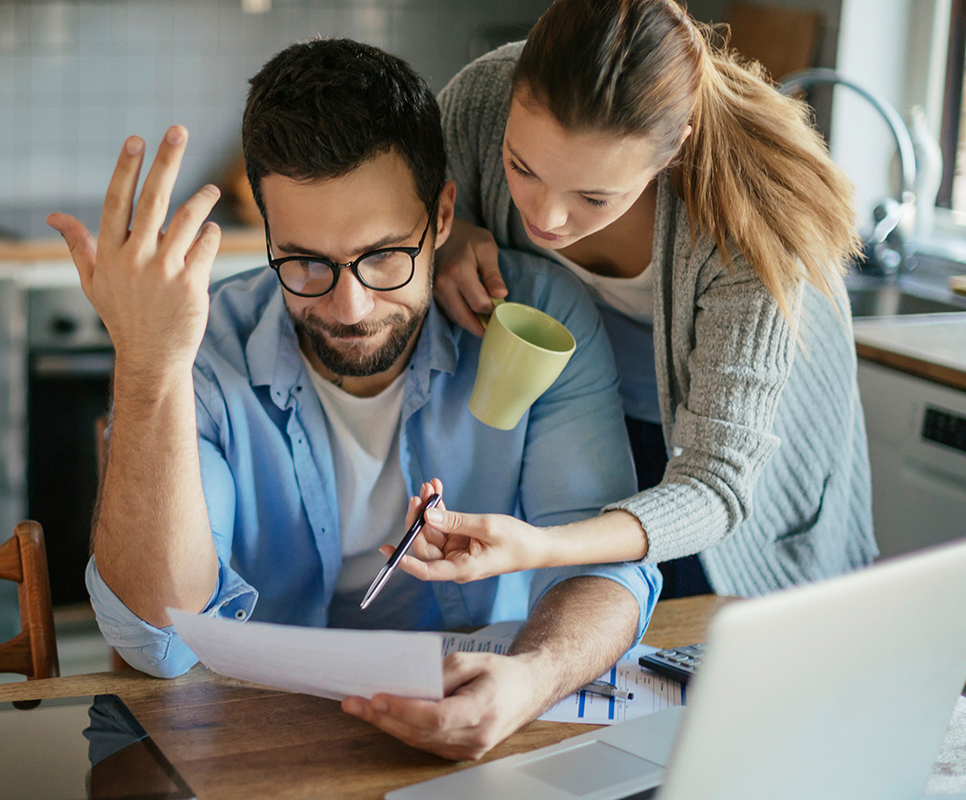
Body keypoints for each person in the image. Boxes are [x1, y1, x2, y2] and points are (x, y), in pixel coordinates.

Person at [48, 38, 660, 762]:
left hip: (474, 735)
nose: (350, 305)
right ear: (267, 237)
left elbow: (602, 564)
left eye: (383, 256)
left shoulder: (539, 320)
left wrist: (534, 678)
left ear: (441, 217)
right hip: (260, 744)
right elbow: (156, 635)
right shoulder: (200, 350)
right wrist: (150, 366)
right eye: (306, 262)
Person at [389, 0, 876, 598]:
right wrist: (450, 234)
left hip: (726, 463)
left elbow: (715, 485)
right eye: (522, 167)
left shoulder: (746, 229)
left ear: (674, 151)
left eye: (594, 197)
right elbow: (405, 206)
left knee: (689, 646)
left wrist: (546, 546)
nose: (545, 215)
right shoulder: (483, 100)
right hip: (584, 412)